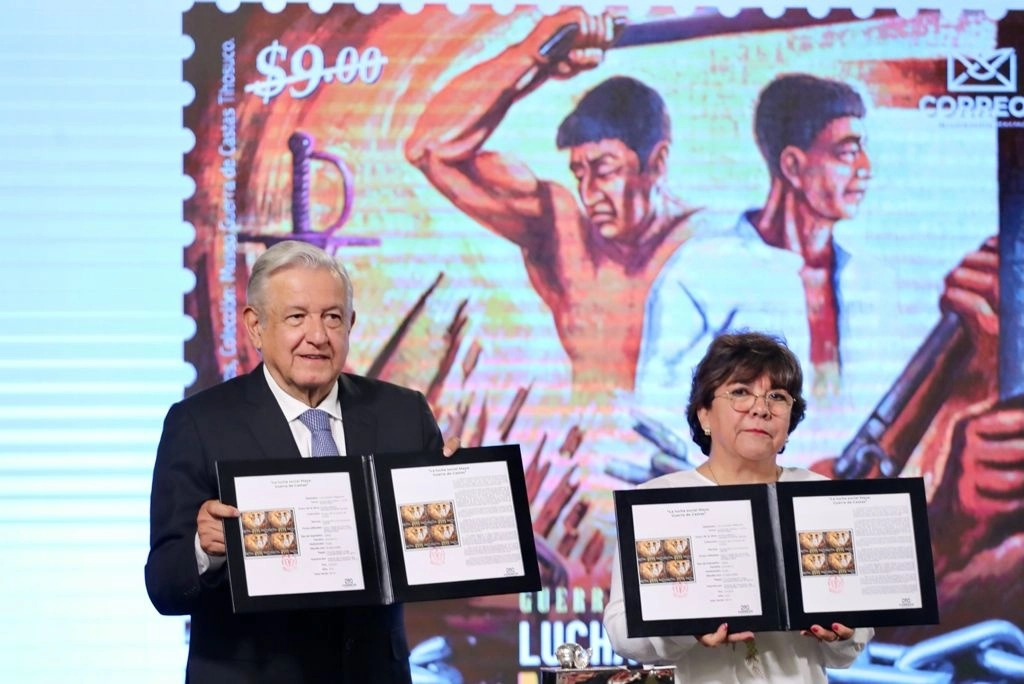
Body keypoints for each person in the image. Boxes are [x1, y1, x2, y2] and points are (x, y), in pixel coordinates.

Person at [145, 240, 456, 684]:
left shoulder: (403, 414)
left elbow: (432, 554)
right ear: (255, 327)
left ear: (350, 324)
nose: (318, 336)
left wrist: (458, 486)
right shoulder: (198, 424)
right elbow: (163, 584)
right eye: (296, 317)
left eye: (332, 317)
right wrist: (204, 550)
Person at [405, 9, 702, 402]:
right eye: (579, 173)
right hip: (591, 458)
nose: (590, 191)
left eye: (605, 169)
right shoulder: (568, 243)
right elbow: (429, 148)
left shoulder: (713, 243)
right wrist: (532, 57)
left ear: (657, 162)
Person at [635, 73, 916, 466]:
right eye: (847, 152)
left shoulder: (872, 283)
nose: (865, 168)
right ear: (793, 166)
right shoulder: (702, 272)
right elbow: (657, 418)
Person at [605, 332, 873, 682]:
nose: (761, 408)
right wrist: (687, 629)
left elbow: (851, 641)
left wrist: (847, 633)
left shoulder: (819, 497)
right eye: (741, 392)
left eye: (777, 396)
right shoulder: (662, 500)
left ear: (790, 423)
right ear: (703, 414)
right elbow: (620, 629)